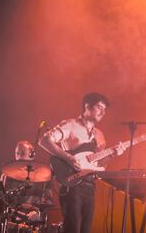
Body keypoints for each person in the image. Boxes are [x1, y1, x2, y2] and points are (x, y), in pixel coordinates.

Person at [39, 92, 110, 233]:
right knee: (72, 228)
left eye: (105, 109)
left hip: (90, 186)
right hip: (71, 183)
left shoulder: (100, 135)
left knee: (86, 229)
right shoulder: (70, 125)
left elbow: (101, 165)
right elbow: (45, 141)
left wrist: (113, 153)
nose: (103, 112)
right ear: (87, 106)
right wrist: (68, 158)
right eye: (99, 107)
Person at [1, 140, 53, 225]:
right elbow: (2, 203)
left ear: (32, 155)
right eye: (18, 152)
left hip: (34, 222)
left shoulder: (43, 177)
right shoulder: (7, 176)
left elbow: (49, 202)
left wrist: (39, 214)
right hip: (11, 221)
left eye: (22, 152)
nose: (19, 155)